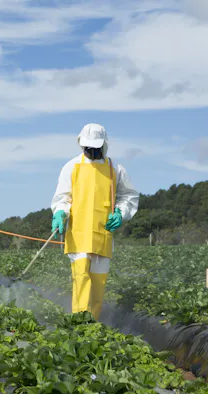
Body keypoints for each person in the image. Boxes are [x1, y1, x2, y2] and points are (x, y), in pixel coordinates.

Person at [50, 123, 138, 320]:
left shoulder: (115, 168)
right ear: (82, 145)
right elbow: (62, 198)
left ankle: (93, 325)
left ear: (104, 146)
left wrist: (120, 213)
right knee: (81, 279)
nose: (92, 151)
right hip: (78, 234)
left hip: (102, 234)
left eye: (95, 148)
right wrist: (60, 213)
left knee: (98, 286)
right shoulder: (71, 167)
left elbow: (129, 196)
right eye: (88, 148)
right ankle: (78, 325)